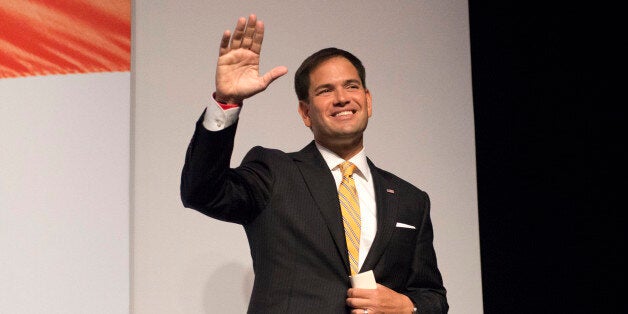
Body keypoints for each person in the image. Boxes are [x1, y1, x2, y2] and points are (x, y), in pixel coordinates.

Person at [181, 14, 448, 314]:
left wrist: (407, 307)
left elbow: (432, 296)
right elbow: (201, 191)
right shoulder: (274, 173)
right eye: (325, 90)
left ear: (368, 101)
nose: (342, 98)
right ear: (305, 113)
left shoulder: (411, 200)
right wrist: (226, 101)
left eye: (351, 86)